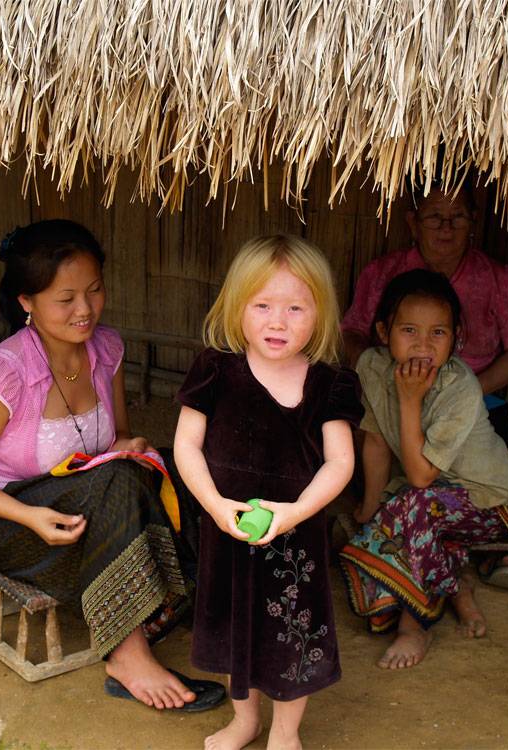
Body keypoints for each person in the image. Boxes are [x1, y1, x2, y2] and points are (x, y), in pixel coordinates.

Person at [0, 220, 224, 711]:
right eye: (65, 298)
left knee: (181, 465)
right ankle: (126, 654)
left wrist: (135, 447)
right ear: (27, 301)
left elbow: (112, 441)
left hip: (84, 496)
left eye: (94, 290)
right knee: (119, 477)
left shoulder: (105, 348)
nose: (85, 309)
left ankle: (199, 599)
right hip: (9, 521)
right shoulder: (5, 376)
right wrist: (28, 515)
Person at [173, 235, 362, 750]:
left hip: (295, 541)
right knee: (234, 630)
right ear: (237, 307)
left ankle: (285, 733)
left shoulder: (331, 383)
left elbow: (341, 461)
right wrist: (215, 507)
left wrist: (296, 511)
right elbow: (186, 446)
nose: (278, 322)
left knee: (292, 641)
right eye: (262, 305)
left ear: (320, 315)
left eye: (296, 308)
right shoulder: (215, 368)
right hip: (227, 529)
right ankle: (244, 721)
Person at [338, 269, 508, 670]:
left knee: (415, 505)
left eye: (438, 333)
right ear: (384, 333)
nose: (424, 344)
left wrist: (410, 400)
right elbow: (375, 441)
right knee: (388, 514)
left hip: (486, 502)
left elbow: (422, 479)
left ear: (456, 339)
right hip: (424, 493)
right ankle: (457, 586)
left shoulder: (460, 387)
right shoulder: (371, 365)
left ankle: (414, 622)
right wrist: (370, 508)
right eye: (409, 330)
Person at [340, 183, 508, 442]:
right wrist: (381, 374)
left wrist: (467, 390)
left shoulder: (498, 278)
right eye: (434, 217)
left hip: (474, 399)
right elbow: (352, 333)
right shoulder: (382, 272)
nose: (446, 227)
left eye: (457, 217)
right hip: (394, 392)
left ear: (473, 220)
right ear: (413, 222)